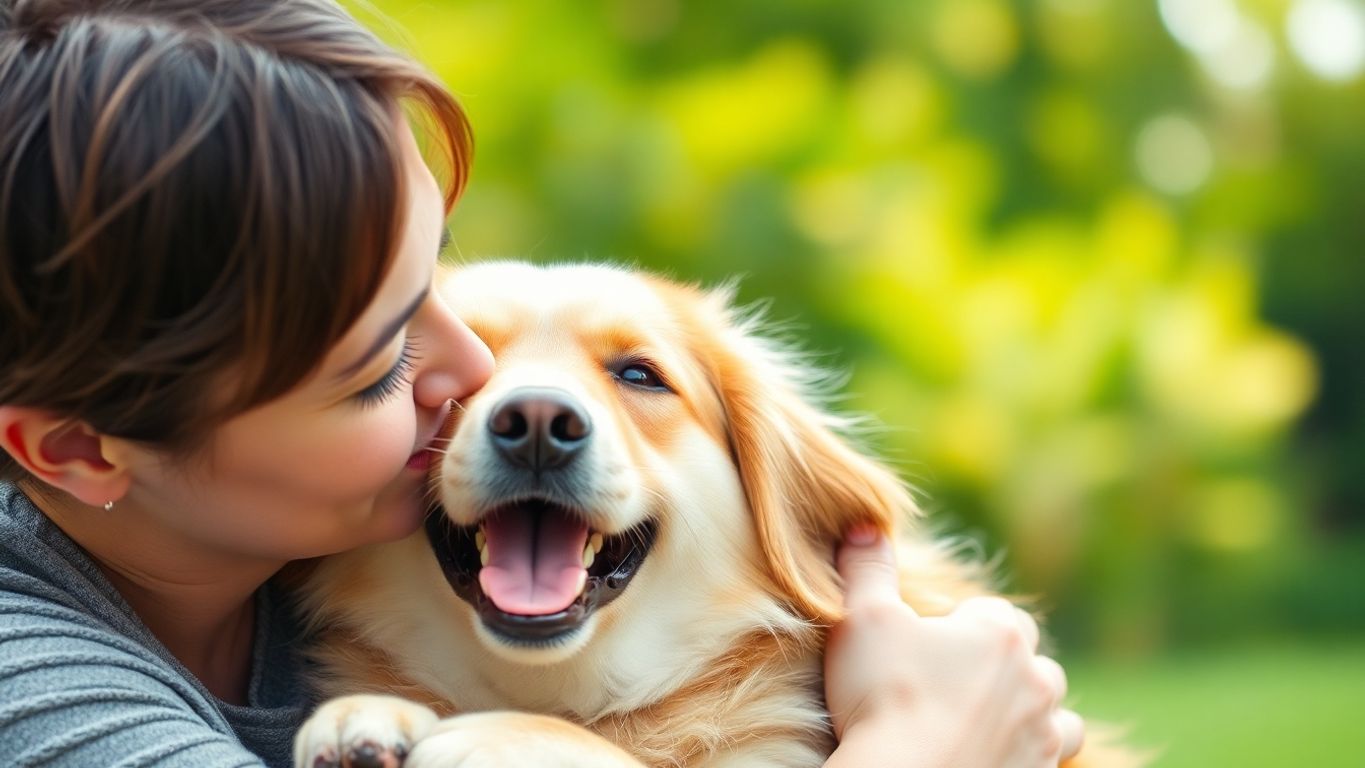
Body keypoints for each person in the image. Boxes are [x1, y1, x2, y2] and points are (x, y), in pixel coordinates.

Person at [0, 1, 1084, 766]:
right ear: (80, 451)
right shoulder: (35, 696)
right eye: (382, 364)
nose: (487, 381)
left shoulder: (285, 544)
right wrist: (923, 751)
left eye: (434, 283)